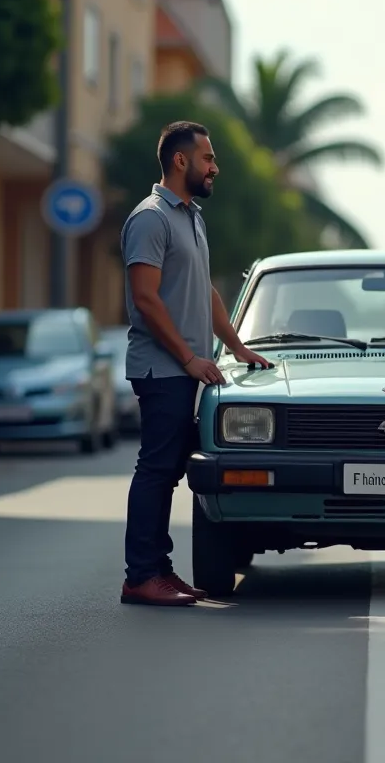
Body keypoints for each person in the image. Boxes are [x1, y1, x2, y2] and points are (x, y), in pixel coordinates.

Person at [119, 120, 272, 607]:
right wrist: (187, 357)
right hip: (161, 369)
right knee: (156, 470)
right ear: (180, 160)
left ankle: (160, 569)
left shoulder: (191, 217)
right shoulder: (150, 218)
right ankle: (141, 575)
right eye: (208, 158)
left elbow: (204, 293)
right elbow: (145, 298)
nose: (215, 167)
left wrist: (238, 347)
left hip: (183, 369)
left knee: (169, 470)